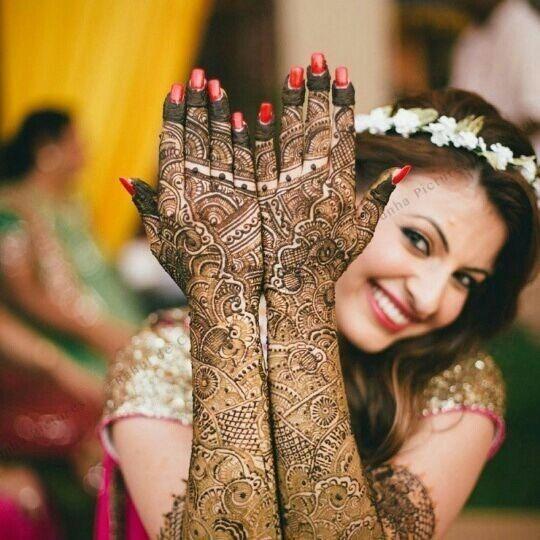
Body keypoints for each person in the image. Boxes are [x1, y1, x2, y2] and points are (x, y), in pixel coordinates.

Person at [96, 54, 539, 538]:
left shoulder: (452, 377)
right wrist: (234, 303)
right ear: (337, 195)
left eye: (466, 279)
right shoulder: (165, 357)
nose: (431, 298)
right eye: (418, 241)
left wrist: (299, 301)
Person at [0, 109, 145, 538]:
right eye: (75, 142)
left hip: (105, 340)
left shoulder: (70, 203)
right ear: (47, 149)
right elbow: (23, 294)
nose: (85, 152)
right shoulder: (14, 208)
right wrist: (93, 330)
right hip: (60, 351)